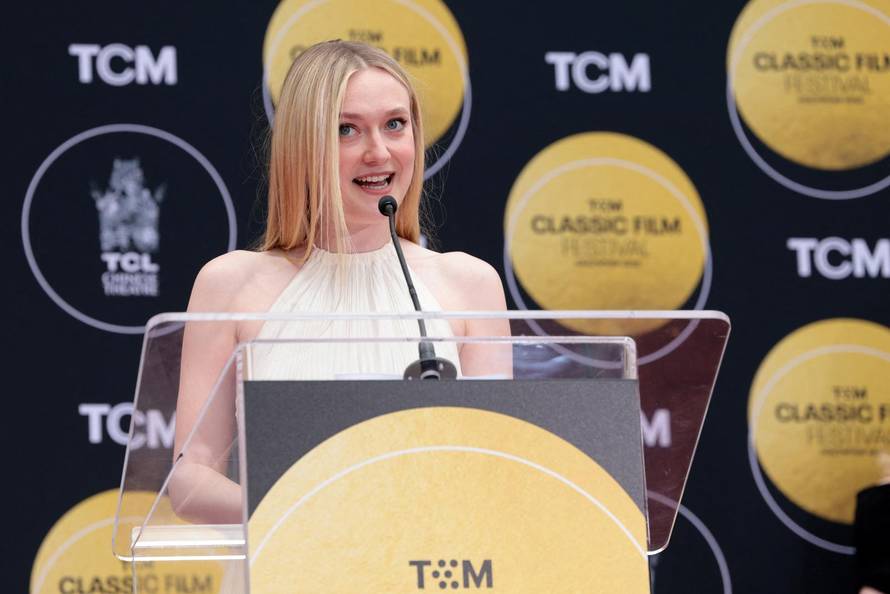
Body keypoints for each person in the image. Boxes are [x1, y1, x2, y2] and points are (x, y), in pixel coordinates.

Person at [169, 40, 511, 525]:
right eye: (346, 130)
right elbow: (189, 479)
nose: (378, 152)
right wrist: (311, 509)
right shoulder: (231, 285)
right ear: (303, 147)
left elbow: (494, 467)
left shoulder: (470, 284)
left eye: (395, 124)